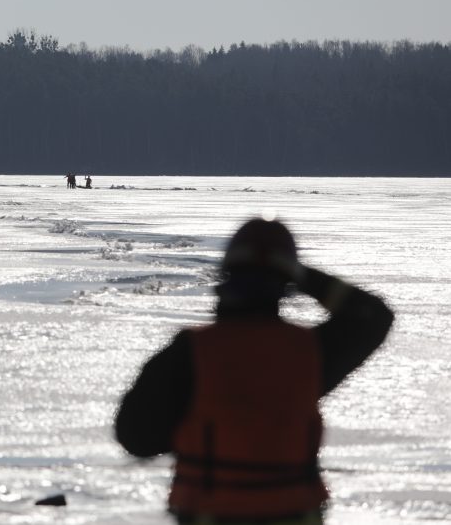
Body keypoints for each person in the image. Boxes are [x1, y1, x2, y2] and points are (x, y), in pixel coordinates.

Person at [114, 218, 394, 524]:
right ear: (285, 282)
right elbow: (373, 316)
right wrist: (302, 274)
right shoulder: (308, 354)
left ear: (227, 273)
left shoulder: (191, 354)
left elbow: (135, 438)